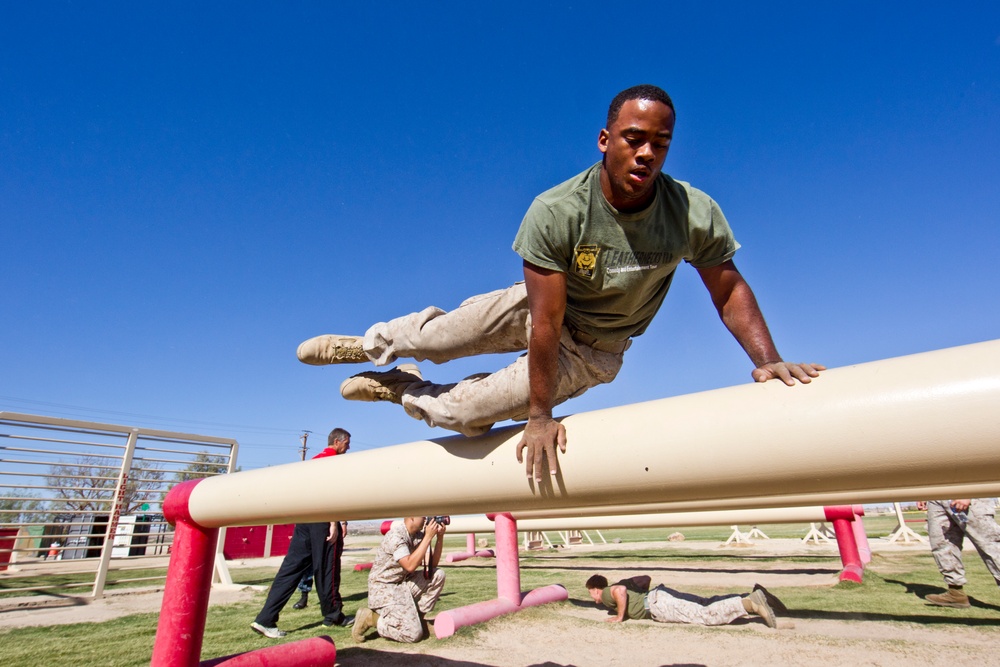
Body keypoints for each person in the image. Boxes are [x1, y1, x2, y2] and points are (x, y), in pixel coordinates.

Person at [296, 84, 824, 481]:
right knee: (438, 339)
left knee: (464, 413)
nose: (646, 153)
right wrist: (540, 413)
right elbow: (545, 321)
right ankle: (370, 344)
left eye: (660, 144)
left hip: (594, 351)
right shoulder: (556, 211)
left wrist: (766, 359)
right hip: (541, 309)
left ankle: (402, 390)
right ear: (605, 140)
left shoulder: (691, 212)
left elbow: (728, 289)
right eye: (634, 138)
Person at [251, 428, 353, 639]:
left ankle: (265, 619)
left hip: (304, 520)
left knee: (290, 570)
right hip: (322, 521)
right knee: (328, 568)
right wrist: (334, 522)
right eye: (347, 443)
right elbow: (329, 493)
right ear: (337, 441)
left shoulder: (313, 461)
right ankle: (333, 616)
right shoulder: (333, 461)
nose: (348, 447)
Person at [352, 516, 447, 643]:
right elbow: (410, 565)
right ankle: (371, 618)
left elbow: (432, 564)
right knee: (412, 634)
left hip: (401, 584)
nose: (426, 519)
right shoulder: (396, 536)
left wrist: (439, 538)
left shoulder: (417, 535)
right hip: (384, 588)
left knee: (437, 575)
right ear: (412, 517)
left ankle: (419, 619)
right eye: (423, 516)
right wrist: (428, 537)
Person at [584, 574, 783, 628]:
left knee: (705, 614)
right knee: (705, 603)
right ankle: (753, 596)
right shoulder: (609, 596)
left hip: (657, 604)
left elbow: (621, 590)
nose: (593, 599)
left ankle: (750, 604)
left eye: (591, 594)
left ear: (595, 589)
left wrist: (620, 616)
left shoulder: (607, 593)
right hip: (659, 599)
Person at [918, 499, 1000, 608]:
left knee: (990, 545)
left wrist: (966, 494)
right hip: (936, 496)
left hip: (964, 492)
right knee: (942, 545)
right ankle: (955, 592)